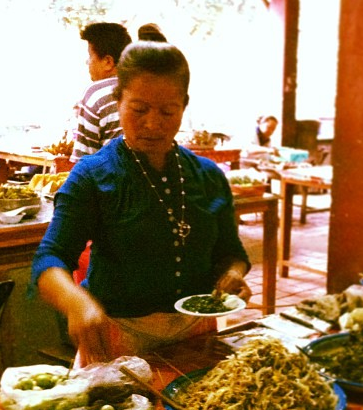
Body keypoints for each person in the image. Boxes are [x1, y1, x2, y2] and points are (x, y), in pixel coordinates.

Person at [32, 42, 252, 367]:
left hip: (197, 339)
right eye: (139, 109)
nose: (153, 123)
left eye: (167, 111)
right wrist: (76, 303)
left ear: (184, 106)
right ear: (118, 100)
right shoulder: (93, 176)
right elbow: (49, 258)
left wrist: (233, 274)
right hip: (118, 340)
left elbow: (232, 253)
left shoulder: (207, 175)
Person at [70, 22, 132, 163]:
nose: (88, 62)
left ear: (108, 62)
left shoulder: (95, 94)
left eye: (90, 56)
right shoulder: (147, 87)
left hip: (109, 182)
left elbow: (83, 160)